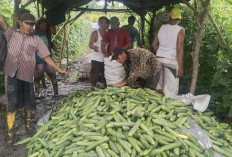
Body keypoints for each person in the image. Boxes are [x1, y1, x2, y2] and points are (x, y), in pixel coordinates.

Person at [0, 13, 68, 143]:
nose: (29, 27)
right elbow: (1, 21)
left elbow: (46, 57)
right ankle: (10, 131)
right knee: (12, 103)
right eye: (26, 23)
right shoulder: (11, 35)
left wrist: (59, 69)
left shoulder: (36, 40)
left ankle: (28, 123)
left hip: (26, 76)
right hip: (11, 74)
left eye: (31, 24)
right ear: (20, 22)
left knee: (29, 101)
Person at [152, 8, 185, 96]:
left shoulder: (161, 27)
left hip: (158, 60)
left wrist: (161, 54)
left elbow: (154, 44)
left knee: (159, 89)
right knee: (170, 92)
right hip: (170, 62)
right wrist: (181, 67)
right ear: (179, 18)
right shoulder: (180, 30)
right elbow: (179, 49)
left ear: (170, 17)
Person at [34, 17, 58, 96]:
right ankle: (37, 93)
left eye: (45, 25)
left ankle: (56, 93)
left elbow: (49, 42)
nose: (44, 27)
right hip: (38, 59)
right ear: (38, 26)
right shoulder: (34, 34)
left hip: (48, 59)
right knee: (37, 77)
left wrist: (53, 46)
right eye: (42, 25)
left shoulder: (47, 33)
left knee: (52, 74)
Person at [88, 16, 109, 88]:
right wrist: (93, 47)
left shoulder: (109, 32)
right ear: (99, 24)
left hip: (106, 58)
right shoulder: (95, 33)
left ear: (107, 24)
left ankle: (106, 89)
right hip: (96, 59)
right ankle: (93, 89)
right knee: (94, 76)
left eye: (105, 23)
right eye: (101, 23)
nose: (103, 25)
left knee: (106, 76)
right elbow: (90, 44)